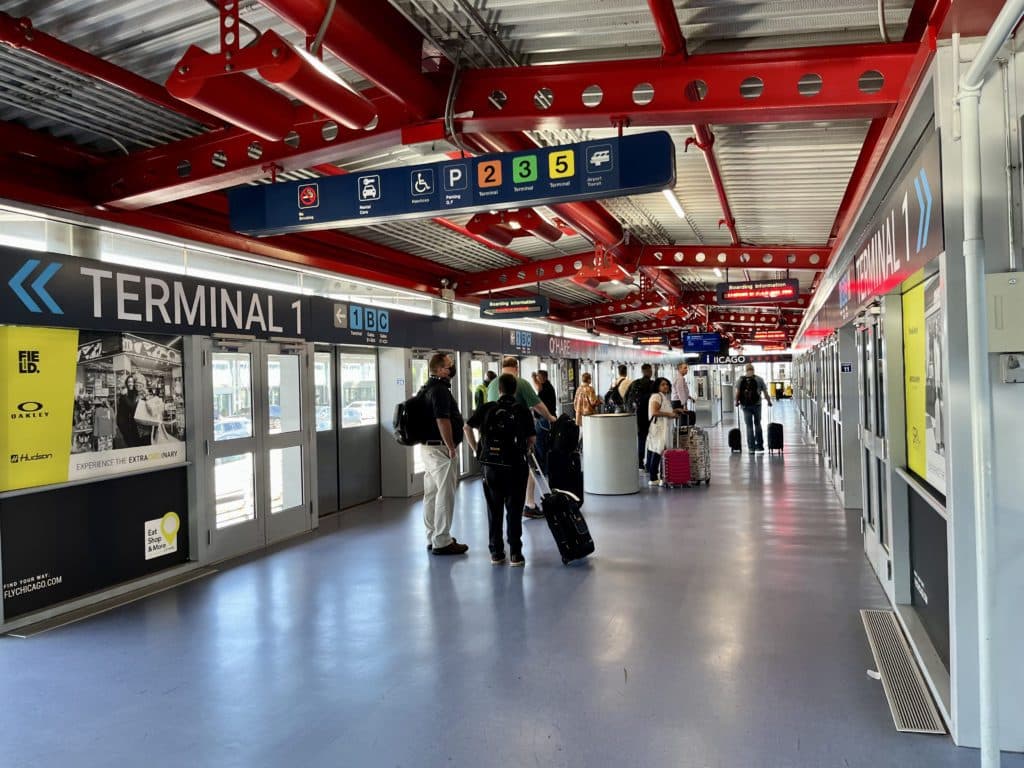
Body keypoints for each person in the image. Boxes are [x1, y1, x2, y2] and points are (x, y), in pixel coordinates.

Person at [464, 373, 536, 567]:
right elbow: (531, 439)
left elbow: (467, 427)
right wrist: (525, 448)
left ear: (499, 389)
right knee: (514, 510)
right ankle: (515, 553)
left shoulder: (488, 408)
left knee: (494, 510)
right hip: (515, 467)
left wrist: (476, 451)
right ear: (515, 390)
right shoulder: (521, 410)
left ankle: (496, 552)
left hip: (491, 468)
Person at [487, 357, 556, 519]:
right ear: (516, 368)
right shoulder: (521, 383)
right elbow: (538, 405)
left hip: (495, 441)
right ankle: (529, 504)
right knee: (528, 468)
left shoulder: (491, 384)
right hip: (516, 438)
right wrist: (550, 417)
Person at [420, 352, 468, 555]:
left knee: (431, 493)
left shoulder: (426, 388)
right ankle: (442, 539)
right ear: (439, 369)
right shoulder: (439, 390)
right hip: (440, 449)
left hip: (428, 449)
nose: (451, 369)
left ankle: (433, 535)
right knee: (445, 494)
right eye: (448, 366)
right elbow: (442, 420)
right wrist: (450, 446)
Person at [644, 377, 683, 485]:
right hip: (658, 427)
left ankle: (657, 476)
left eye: (667, 384)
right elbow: (654, 412)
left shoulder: (664, 397)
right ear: (657, 386)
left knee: (657, 449)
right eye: (662, 384)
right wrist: (670, 414)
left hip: (662, 427)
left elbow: (664, 410)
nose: (665, 386)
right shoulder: (656, 396)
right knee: (657, 450)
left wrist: (675, 410)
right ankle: (653, 477)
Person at [735, 363, 772, 454]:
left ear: (746, 370)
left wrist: (736, 402)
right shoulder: (759, 379)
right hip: (757, 405)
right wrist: (769, 402)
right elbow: (765, 393)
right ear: (753, 370)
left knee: (749, 426)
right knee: (757, 424)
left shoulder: (741, 380)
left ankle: (751, 448)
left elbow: (738, 393)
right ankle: (759, 446)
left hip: (745, 406)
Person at [626, 364, 656, 469]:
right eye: (650, 370)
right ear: (648, 371)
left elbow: (626, 397)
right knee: (652, 439)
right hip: (650, 415)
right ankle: (649, 463)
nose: (651, 372)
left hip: (638, 415)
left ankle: (640, 463)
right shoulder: (653, 385)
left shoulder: (634, 383)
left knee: (641, 439)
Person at [116, 375, 146, 448]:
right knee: (130, 443)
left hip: (133, 423)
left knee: (136, 443)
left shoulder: (134, 393)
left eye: (132, 382)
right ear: (126, 383)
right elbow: (131, 406)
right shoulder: (124, 394)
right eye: (129, 382)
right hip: (124, 423)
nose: (131, 384)